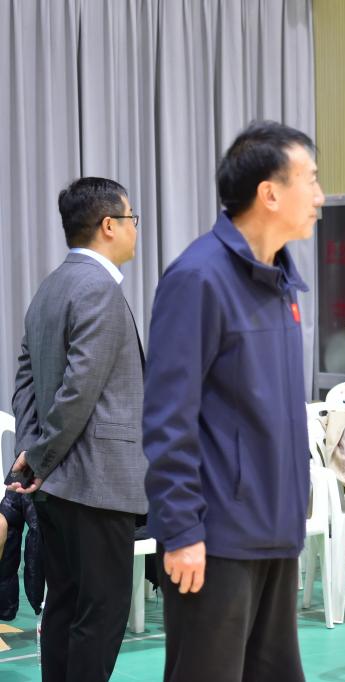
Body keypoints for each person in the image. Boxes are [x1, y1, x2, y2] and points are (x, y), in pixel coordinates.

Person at [143, 121, 323, 681]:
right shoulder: (198, 278)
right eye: (311, 180)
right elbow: (168, 418)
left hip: (275, 530)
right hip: (216, 539)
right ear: (270, 193)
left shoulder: (281, 281)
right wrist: (181, 531)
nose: (320, 196)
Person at [9, 177, 147, 681]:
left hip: (57, 485)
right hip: (97, 483)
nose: (135, 229)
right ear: (109, 225)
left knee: (65, 607)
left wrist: (33, 453)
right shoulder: (99, 290)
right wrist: (40, 457)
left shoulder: (52, 286)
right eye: (131, 219)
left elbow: (24, 380)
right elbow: (79, 391)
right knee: (101, 613)